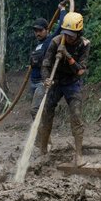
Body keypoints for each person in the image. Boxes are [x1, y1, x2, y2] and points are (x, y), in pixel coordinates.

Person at [36, 11, 90, 167]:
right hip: (56, 81)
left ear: (79, 34)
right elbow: (46, 64)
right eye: (66, 34)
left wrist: (67, 55)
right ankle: (43, 151)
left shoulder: (84, 44)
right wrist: (46, 79)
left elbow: (80, 71)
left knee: (76, 116)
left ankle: (78, 155)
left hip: (73, 83)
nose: (68, 37)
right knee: (46, 113)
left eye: (72, 35)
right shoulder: (56, 41)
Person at [29, 2, 67, 118]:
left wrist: (62, 10)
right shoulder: (36, 46)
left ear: (47, 30)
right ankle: (43, 135)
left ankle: (41, 135)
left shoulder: (50, 41)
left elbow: (62, 25)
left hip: (42, 82)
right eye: (36, 31)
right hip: (33, 83)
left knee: (35, 110)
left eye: (40, 30)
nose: (38, 33)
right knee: (38, 112)